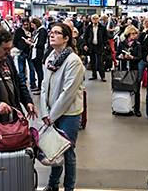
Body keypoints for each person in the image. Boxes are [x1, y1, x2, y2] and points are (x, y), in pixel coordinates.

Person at [41, 23, 85, 191]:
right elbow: (44, 86)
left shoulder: (73, 61)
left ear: (66, 38)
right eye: (51, 32)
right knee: (54, 151)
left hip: (69, 114)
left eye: (57, 33)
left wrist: (51, 116)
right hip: (52, 112)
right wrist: (45, 111)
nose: (52, 35)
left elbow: (68, 93)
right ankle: (53, 185)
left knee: (67, 152)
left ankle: (69, 187)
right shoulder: (51, 56)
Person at [116, 25, 142, 117]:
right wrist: (121, 57)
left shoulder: (138, 45)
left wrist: (132, 57)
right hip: (123, 68)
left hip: (134, 69)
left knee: (136, 89)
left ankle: (137, 109)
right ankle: (123, 107)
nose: (134, 35)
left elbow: (139, 57)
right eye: (133, 34)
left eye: (136, 33)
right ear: (128, 34)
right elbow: (117, 55)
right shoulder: (122, 43)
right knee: (123, 88)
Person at [13, 17, 36, 91]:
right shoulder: (19, 31)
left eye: (27, 24)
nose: (26, 26)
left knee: (32, 68)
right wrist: (19, 47)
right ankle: (23, 85)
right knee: (21, 69)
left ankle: (33, 84)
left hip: (30, 51)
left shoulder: (32, 30)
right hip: (22, 52)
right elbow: (15, 41)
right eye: (24, 24)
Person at [83, 14, 108, 82]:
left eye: (96, 18)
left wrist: (105, 44)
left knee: (100, 62)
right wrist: (85, 45)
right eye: (93, 18)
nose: (95, 20)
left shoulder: (102, 27)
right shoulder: (88, 27)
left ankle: (102, 76)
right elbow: (85, 37)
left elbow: (106, 36)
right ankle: (94, 75)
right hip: (91, 46)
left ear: (98, 19)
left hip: (99, 46)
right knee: (92, 62)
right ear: (91, 19)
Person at [29, 18, 48, 91]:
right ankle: (39, 86)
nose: (32, 26)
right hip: (36, 53)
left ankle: (40, 87)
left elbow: (40, 43)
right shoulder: (39, 31)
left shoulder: (42, 31)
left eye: (32, 25)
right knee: (38, 70)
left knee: (39, 71)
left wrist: (32, 44)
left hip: (38, 54)